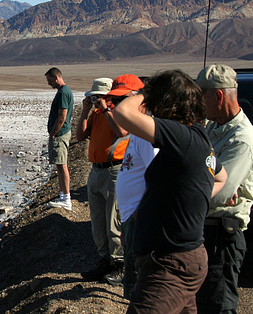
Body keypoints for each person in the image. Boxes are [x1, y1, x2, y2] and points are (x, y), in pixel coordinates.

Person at [113, 69, 227, 313]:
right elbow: (221, 177)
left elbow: (122, 112)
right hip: (178, 258)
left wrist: (145, 92)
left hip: (169, 264)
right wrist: (186, 201)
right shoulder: (196, 139)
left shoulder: (182, 137)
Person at [196, 64, 253, 313]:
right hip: (204, 231)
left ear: (218, 96)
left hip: (222, 238)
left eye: (201, 97)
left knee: (218, 305)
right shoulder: (213, 128)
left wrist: (185, 195)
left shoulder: (241, 138)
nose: (198, 105)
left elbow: (220, 191)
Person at [77, 75, 143, 282]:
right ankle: (104, 259)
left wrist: (106, 109)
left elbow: (121, 132)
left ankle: (119, 263)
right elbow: (80, 136)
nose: (97, 100)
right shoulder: (96, 114)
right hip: (96, 170)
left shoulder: (118, 113)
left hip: (114, 170)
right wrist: (85, 111)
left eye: (100, 96)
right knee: (98, 221)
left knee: (114, 219)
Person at [114, 101, 159, 297]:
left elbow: (157, 176)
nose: (116, 107)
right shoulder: (137, 133)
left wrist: (138, 215)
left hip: (138, 216)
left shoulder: (146, 135)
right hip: (131, 216)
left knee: (138, 281)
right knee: (132, 272)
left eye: (121, 101)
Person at [45, 67, 74, 210]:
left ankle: (66, 198)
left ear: (56, 77)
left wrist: (53, 133)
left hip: (60, 134)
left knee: (62, 165)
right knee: (60, 164)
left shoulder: (63, 93)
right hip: (60, 133)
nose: (49, 83)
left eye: (50, 80)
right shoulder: (63, 92)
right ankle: (63, 195)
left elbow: (62, 116)